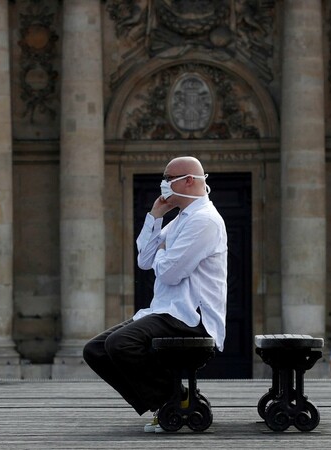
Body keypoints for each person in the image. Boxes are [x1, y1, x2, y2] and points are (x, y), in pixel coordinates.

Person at [83, 156, 228, 432]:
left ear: (188, 181)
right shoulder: (179, 220)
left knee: (120, 344)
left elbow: (170, 272)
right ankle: (167, 402)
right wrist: (154, 217)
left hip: (192, 318)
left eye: (167, 178)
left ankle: (174, 400)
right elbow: (145, 260)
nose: (163, 184)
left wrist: (164, 257)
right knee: (95, 350)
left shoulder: (205, 220)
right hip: (166, 311)